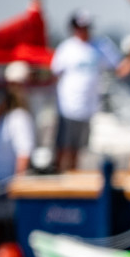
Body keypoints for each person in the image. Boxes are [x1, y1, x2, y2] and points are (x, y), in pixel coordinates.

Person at [50, 10, 125, 172]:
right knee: (63, 146)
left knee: (78, 149)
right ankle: (58, 176)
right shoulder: (66, 48)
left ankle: (71, 179)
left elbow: (120, 67)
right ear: (74, 29)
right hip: (67, 106)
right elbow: (54, 74)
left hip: (88, 108)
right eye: (81, 27)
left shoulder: (101, 46)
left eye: (87, 27)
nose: (84, 31)